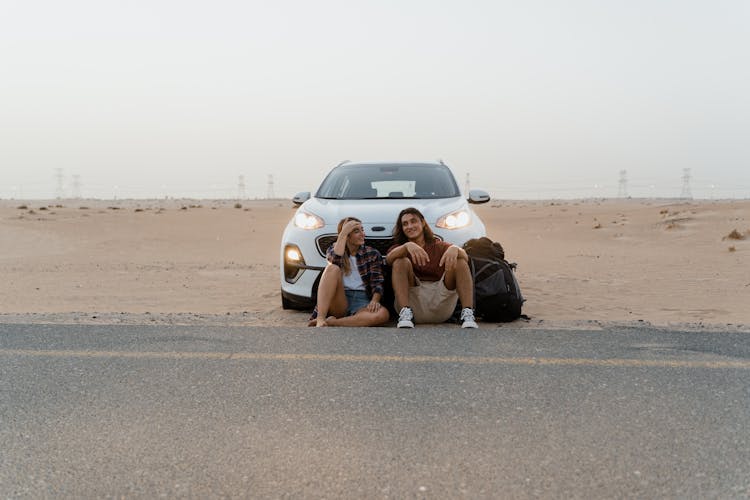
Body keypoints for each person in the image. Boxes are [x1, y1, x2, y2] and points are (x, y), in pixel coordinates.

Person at [386, 207, 478, 329]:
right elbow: (389, 259)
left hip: (440, 304)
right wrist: (407, 246)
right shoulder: (400, 248)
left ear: (423, 223)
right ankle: (405, 314)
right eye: (405, 224)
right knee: (400, 261)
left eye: (413, 221)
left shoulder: (438, 245)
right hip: (413, 304)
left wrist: (456, 248)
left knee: (460, 261)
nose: (409, 226)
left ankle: (467, 314)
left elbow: (465, 257)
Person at [308, 217, 390, 327]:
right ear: (347, 235)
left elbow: (377, 281)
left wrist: (375, 300)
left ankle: (333, 322)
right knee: (332, 268)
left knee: (382, 315)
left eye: (362, 230)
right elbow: (334, 261)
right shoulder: (334, 249)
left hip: (362, 300)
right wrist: (343, 234)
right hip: (340, 299)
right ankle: (321, 318)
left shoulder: (372, 253)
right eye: (357, 231)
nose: (362, 234)